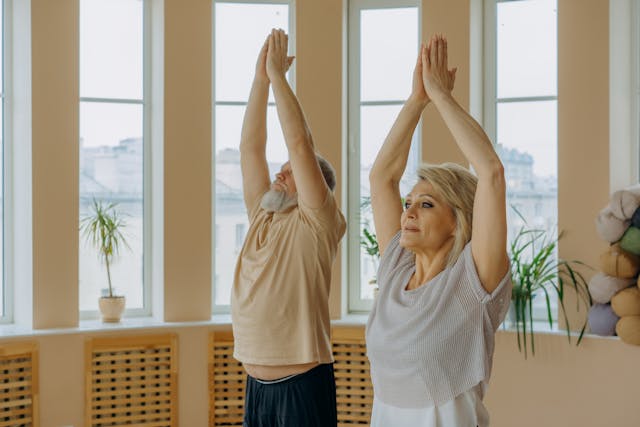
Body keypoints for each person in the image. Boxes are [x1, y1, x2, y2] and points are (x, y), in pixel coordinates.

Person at [365, 34, 513, 427]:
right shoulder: (396, 267)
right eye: (409, 203)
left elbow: (491, 173)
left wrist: (441, 97)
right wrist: (417, 100)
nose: (408, 212)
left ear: (458, 221)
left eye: (426, 204)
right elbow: (382, 178)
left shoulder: (471, 283)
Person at [231, 28, 346, 427]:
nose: (280, 177)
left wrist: (280, 77)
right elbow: (250, 148)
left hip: (302, 384)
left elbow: (300, 146)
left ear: (315, 187)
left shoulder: (318, 222)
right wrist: (260, 79)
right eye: (279, 173)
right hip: (256, 386)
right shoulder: (262, 213)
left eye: (289, 175)